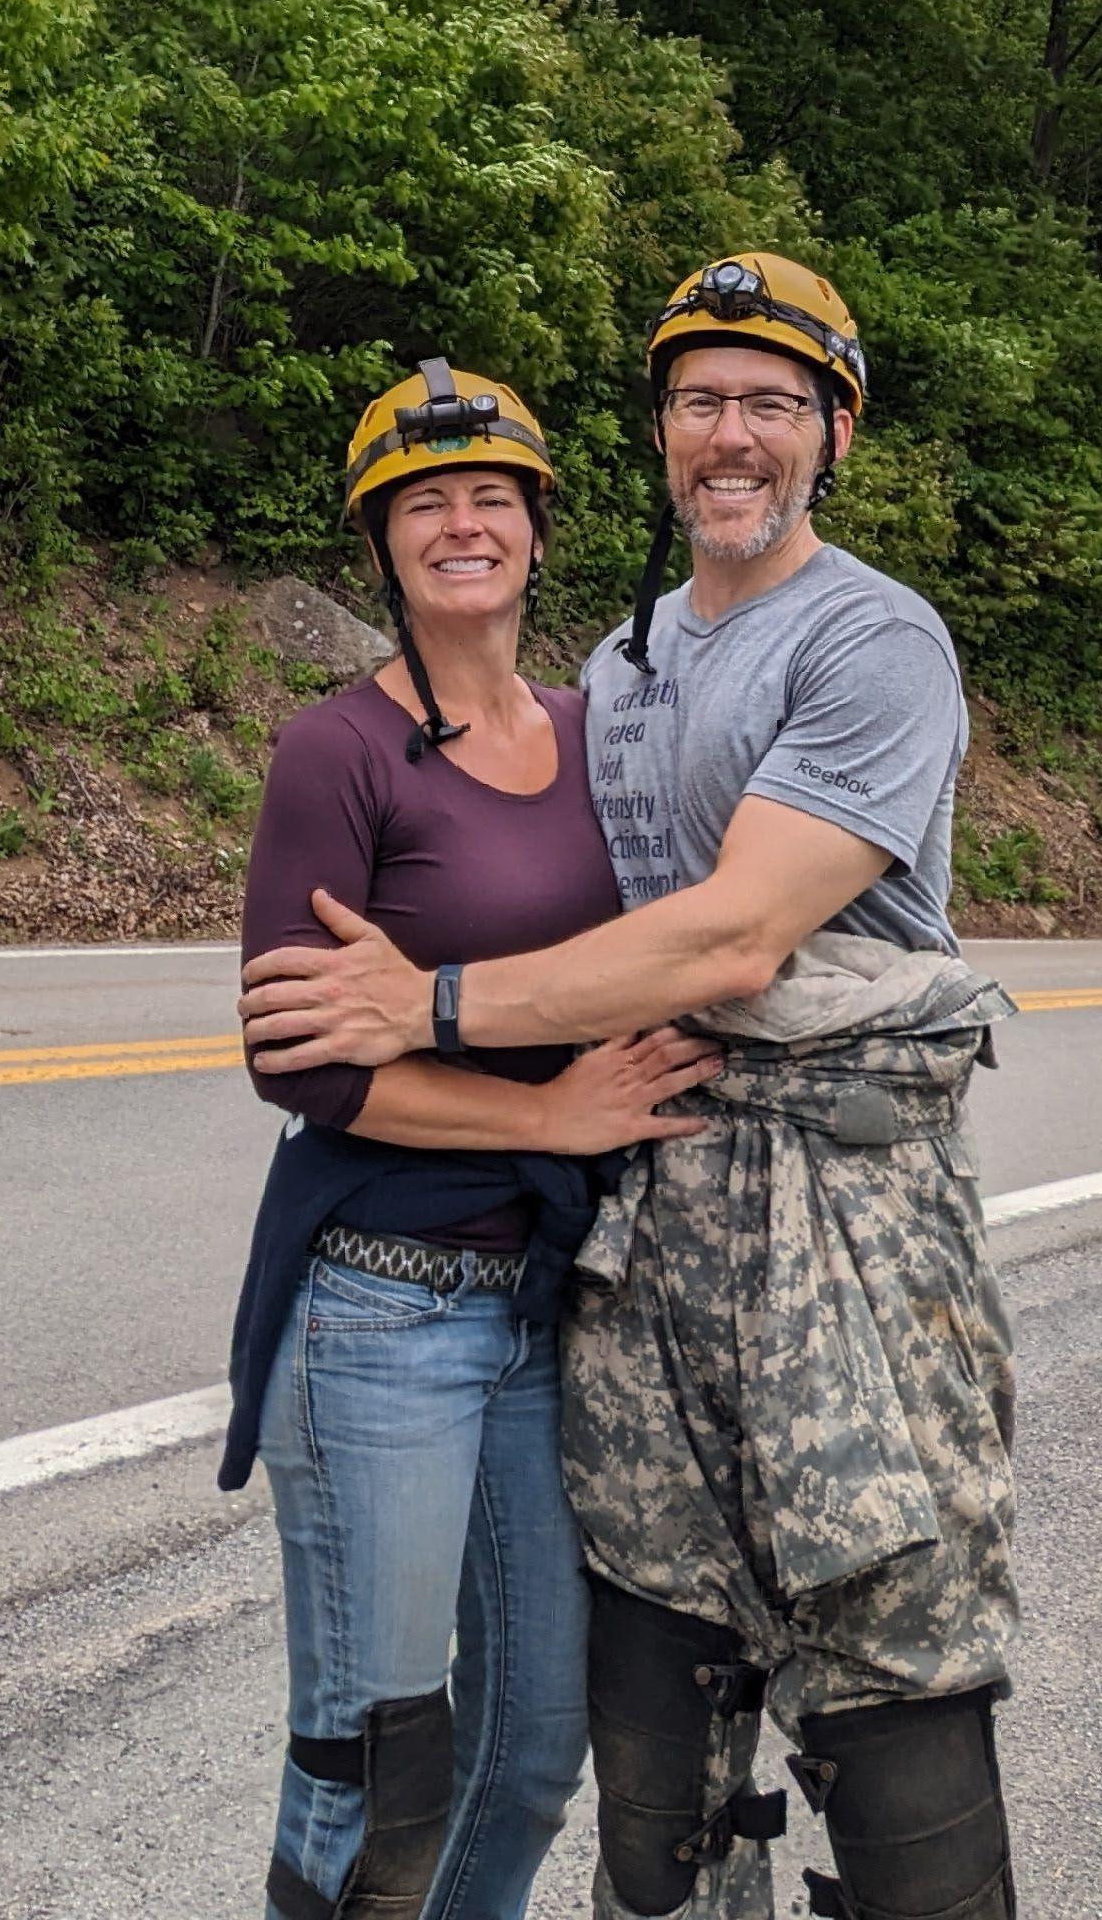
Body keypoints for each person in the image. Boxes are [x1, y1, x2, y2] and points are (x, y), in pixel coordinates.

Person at [240, 257, 1021, 1920]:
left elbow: (732, 931)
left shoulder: (874, 637)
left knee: (890, 1649)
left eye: (768, 402)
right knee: (648, 1681)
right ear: (658, 432)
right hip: (624, 1232)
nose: (728, 435)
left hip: (840, 1223)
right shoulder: (626, 662)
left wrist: (432, 998)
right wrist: (528, 1102)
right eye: (695, 400)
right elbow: (324, 1041)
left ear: (835, 429)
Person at [223, 357, 723, 1920]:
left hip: (535, 1313)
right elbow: (299, 1061)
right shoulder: (340, 752)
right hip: (376, 1307)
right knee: (383, 1759)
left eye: (490, 497)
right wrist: (547, 1110)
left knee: (529, 1748)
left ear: (534, 528)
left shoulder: (598, 735)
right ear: (380, 541)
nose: (460, 524)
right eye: (423, 501)